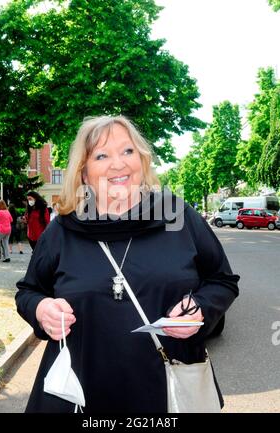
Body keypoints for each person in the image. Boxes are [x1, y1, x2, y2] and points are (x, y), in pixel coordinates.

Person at [15, 115, 240, 413]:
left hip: (163, 390)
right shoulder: (62, 231)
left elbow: (223, 281)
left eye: (128, 151)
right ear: (84, 172)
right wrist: (41, 310)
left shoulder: (177, 216)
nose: (118, 164)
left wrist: (201, 308)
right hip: (79, 391)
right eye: (101, 155)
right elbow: (29, 291)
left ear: (142, 160)